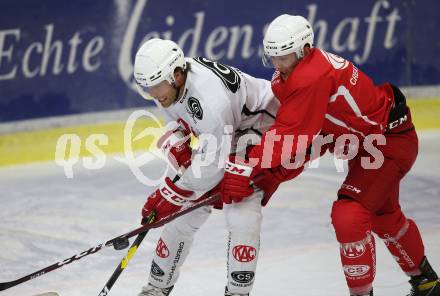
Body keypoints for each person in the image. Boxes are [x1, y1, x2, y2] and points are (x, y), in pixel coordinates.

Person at [221, 14, 440, 296]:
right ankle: (428, 283)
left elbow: (291, 134)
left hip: (388, 142)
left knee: (349, 215)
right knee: (384, 217)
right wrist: (271, 174)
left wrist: (249, 166)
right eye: (272, 57)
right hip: (366, 144)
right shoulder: (294, 72)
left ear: (305, 49)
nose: (277, 64)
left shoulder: (311, 76)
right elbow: (314, 134)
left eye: (284, 56)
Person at [132, 38, 295, 296]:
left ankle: (237, 293)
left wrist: (170, 193)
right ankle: (156, 288)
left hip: (264, 133)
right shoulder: (168, 84)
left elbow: (212, 169)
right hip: (226, 136)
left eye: (156, 86)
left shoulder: (210, 100)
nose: (152, 94)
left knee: (242, 215)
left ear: (176, 75)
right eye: (147, 87)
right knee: (181, 218)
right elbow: (180, 120)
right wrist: (178, 141)